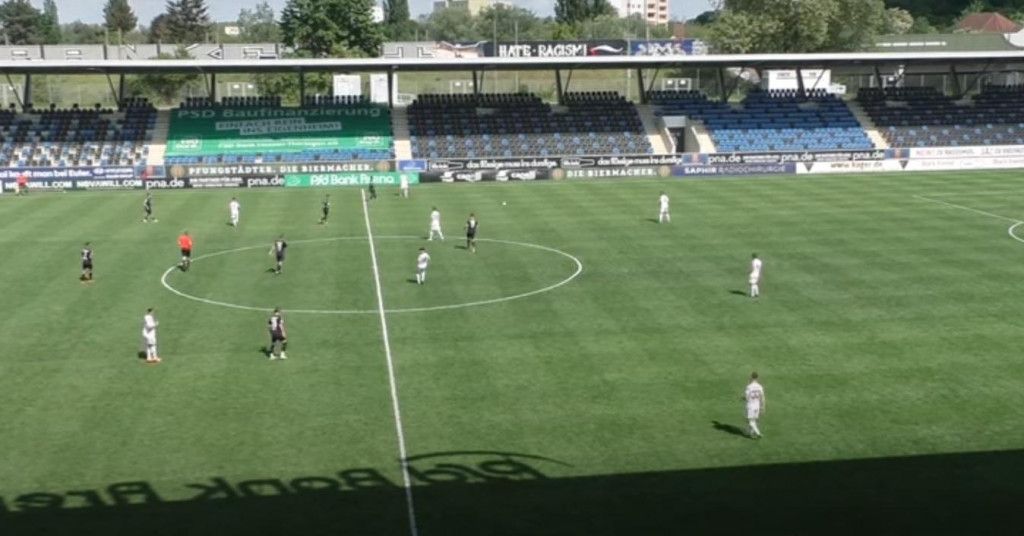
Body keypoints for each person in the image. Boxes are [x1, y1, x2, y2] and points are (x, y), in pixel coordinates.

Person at [743, 372, 765, 439]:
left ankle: (758, 433)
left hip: (751, 406)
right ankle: (751, 434)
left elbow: (747, 397)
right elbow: (762, 397)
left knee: (750, 421)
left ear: (751, 377)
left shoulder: (749, 387)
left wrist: (743, 398)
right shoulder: (760, 386)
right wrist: (763, 406)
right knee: (754, 420)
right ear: (757, 378)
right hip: (757, 405)